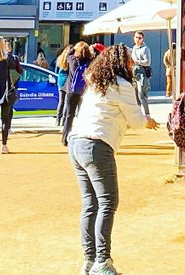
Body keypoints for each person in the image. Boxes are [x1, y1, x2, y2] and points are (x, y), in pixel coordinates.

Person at [68, 44, 159, 275]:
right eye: (129, 60)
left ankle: (89, 260)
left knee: (90, 204)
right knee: (108, 202)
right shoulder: (123, 86)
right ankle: (102, 261)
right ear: (121, 63)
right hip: (97, 146)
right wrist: (148, 120)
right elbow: (137, 121)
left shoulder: (96, 84)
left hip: (77, 143)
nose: (132, 63)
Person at [61, 42, 96, 146]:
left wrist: (74, 48)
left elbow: (68, 53)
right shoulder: (90, 62)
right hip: (84, 92)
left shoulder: (72, 60)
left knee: (69, 115)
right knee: (82, 115)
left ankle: (65, 138)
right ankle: (82, 137)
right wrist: (91, 49)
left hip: (71, 91)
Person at [129, 31, 152, 118]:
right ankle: (138, 115)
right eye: (136, 37)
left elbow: (148, 62)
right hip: (135, 73)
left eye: (139, 38)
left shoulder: (145, 49)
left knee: (142, 94)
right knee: (135, 95)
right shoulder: (134, 48)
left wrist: (137, 61)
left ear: (142, 39)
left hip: (142, 74)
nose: (137, 39)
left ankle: (147, 114)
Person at [56, 44, 73, 126]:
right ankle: (64, 120)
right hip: (68, 80)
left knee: (61, 100)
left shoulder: (60, 58)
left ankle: (57, 119)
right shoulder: (71, 59)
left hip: (60, 80)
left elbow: (56, 71)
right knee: (67, 101)